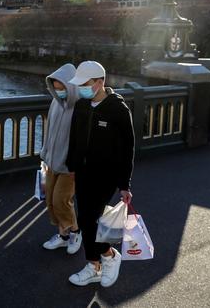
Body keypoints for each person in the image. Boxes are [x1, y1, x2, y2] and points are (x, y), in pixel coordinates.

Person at [65, 61, 134, 288]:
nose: (82, 88)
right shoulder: (82, 106)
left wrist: (125, 184)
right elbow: (74, 139)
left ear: (100, 82)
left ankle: (110, 255)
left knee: (92, 218)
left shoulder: (118, 110)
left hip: (106, 176)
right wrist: (72, 167)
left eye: (86, 84)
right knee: (85, 219)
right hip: (83, 172)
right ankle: (94, 265)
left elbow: (128, 149)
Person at [38, 63, 82, 254]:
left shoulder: (81, 108)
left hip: (70, 166)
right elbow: (50, 132)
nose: (58, 92)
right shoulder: (54, 103)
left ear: (70, 86)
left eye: (61, 88)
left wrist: (77, 164)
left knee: (61, 201)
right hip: (52, 162)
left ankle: (76, 232)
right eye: (55, 88)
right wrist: (44, 154)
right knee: (50, 201)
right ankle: (63, 235)